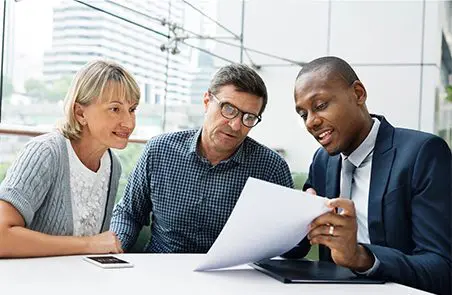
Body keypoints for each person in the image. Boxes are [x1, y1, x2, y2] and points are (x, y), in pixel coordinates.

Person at [285, 56, 451, 295]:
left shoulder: (423, 154)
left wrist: (361, 257)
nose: (311, 122)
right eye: (303, 114)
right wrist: (290, 222)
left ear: (359, 94)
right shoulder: (322, 162)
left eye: (320, 105)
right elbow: (298, 247)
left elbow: (442, 269)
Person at [111, 63, 293, 253]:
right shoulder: (159, 151)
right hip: (161, 269)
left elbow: (289, 243)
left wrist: (304, 223)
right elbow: (129, 214)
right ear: (207, 101)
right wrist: (114, 248)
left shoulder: (271, 168)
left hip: (232, 276)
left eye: (249, 118)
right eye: (229, 109)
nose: (236, 125)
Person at [0, 59, 140, 257]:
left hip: (76, 282)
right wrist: (88, 245)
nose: (128, 122)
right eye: (115, 109)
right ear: (80, 112)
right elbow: (2, 237)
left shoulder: (112, 165)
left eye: (132, 109)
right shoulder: (46, 153)